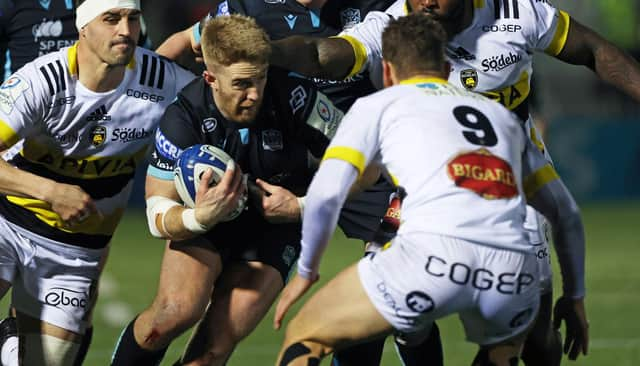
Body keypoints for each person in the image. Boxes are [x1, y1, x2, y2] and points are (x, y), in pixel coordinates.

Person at [269, 0, 640, 364]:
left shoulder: (519, 13)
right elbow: (565, 213)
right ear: (447, 67)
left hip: (474, 214)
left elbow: (334, 186)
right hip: (489, 217)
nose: (425, 2)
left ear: (388, 74)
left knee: (536, 340)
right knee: (500, 338)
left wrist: (305, 264)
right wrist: (575, 294)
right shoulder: (399, 24)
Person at [109, 14, 346, 366]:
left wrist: (301, 206)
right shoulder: (183, 118)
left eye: (261, 79)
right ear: (210, 78)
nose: (254, 95)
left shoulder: (295, 97)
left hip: (276, 226)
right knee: (170, 316)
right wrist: (199, 217)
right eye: (241, 85)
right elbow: (156, 212)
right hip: (206, 222)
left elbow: (362, 163)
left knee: (213, 350)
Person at [0, 0, 194, 364]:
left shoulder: (161, 81)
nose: (125, 30)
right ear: (83, 27)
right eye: (111, 19)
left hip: (75, 252)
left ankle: (9, 343)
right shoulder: (43, 78)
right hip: (7, 224)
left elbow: (216, 109)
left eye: (133, 18)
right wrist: (51, 191)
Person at [0, 0, 150, 82]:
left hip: (100, 108)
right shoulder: (11, 5)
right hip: (26, 106)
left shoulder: (119, 8)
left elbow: (144, 59)